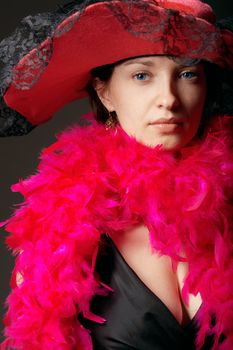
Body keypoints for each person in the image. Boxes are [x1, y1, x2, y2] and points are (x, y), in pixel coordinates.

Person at [0, 0, 233, 349]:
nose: (168, 99)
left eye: (187, 74)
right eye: (142, 75)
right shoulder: (59, 231)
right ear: (105, 92)